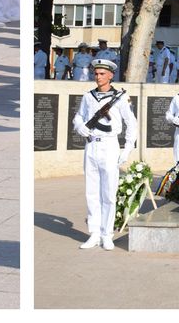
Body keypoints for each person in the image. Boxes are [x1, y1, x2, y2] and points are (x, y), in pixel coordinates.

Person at [72, 59, 137, 250]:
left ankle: (107, 234)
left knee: (108, 193)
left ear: (110, 75)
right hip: (91, 145)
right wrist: (80, 127)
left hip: (109, 145)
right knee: (92, 192)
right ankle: (94, 233)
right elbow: (79, 116)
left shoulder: (121, 97)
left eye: (102, 74)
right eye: (96, 73)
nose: (98, 77)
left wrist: (127, 149)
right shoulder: (88, 96)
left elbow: (131, 123)